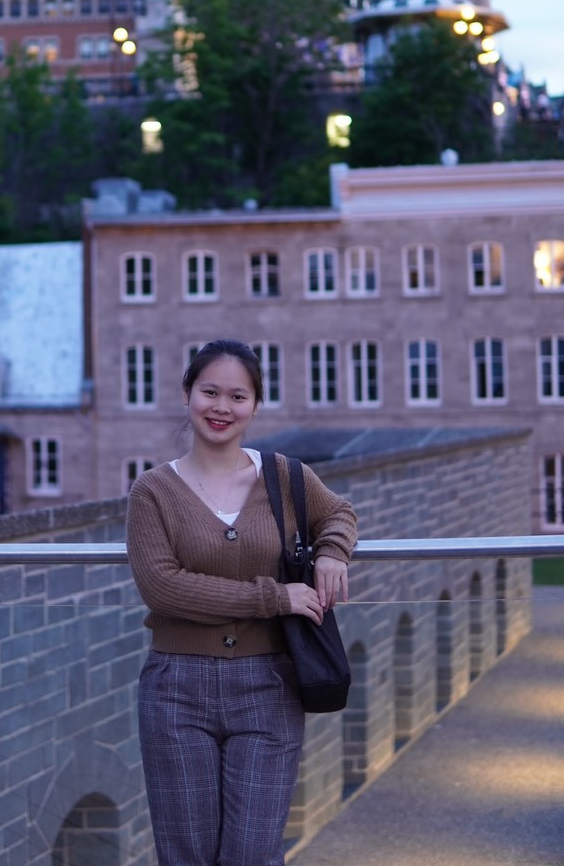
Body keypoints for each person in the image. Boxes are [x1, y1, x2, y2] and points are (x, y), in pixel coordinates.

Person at [126, 338, 357, 866]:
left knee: (253, 853)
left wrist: (332, 552)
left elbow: (340, 512)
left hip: (269, 686)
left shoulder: (284, 476)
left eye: (237, 396)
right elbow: (162, 586)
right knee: (187, 854)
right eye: (209, 391)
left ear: (255, 405)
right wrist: (274, 597)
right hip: (176, 690)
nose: (221, 408)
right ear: (187, 394)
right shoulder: (153, 491)